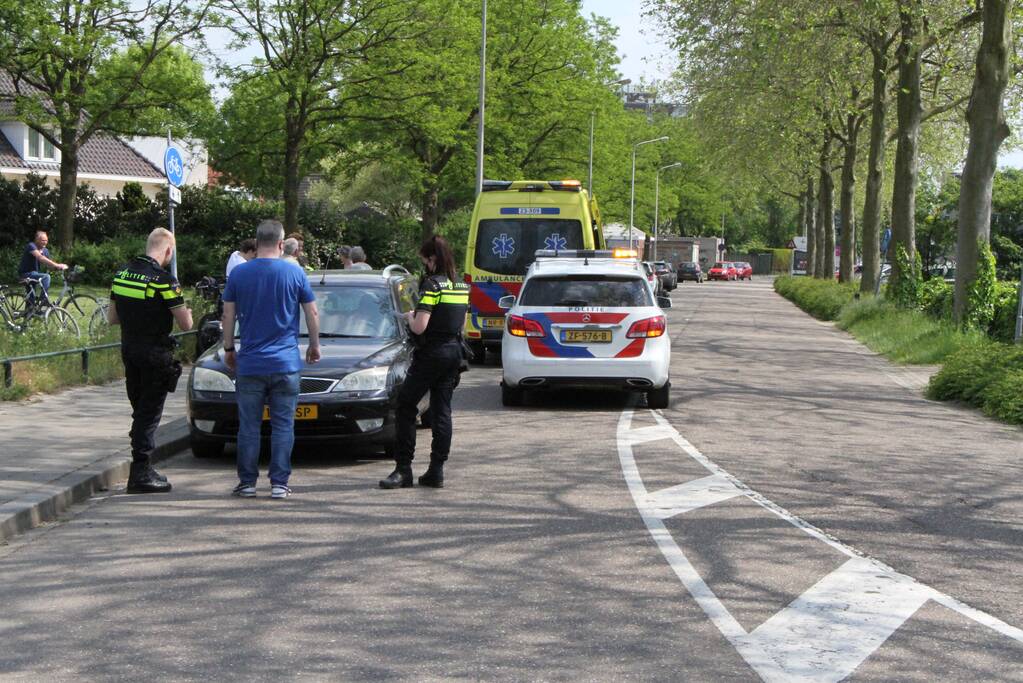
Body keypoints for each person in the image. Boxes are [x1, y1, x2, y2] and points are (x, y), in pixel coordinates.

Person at [222, 219, 321, 500]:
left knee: (249, 426)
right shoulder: (295, 273)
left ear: (256, 242)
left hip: (251, 363)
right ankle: (279, 483)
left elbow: (228, 315)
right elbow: (311, 313)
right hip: (286, 363)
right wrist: (314, 346)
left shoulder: (239, 275)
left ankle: (247, 483)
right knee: (283, 425)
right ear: (281, 244)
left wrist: (229, 349)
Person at [106, 228, 193, 494]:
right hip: (155, 354)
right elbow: (186, 323)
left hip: (129, 349)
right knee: (149, 413)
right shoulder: (164, 280)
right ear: (168, 250)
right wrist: (185, 309)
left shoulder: (121, 274)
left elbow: (112, 319)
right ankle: (141, 473)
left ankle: (143, 466)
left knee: (139, 410)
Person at [380, 235, 469, 489]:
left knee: (406, 405)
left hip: (431, 354)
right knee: (442, 411)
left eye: (424, 260)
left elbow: (420, 327)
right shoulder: (461, 286)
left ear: (432, 259)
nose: (424, 266)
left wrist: (410, 317)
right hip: (453, 353)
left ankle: (403, 469)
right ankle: (436, 470)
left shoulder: (432, 285)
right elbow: (461, 324)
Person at [18, 230, 68, 297]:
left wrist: (58, 268)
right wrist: (57, 265)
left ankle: (30, 307)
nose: (45, 242)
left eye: (46, 240)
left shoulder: (45, 251)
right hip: (25, 274)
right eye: (43, 240)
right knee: (46, 277)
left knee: (31, 299)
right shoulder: (31, 246)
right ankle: (43, 299)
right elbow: (40, 257)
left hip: (35, 274)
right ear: (37, 240)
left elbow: (49, 266)